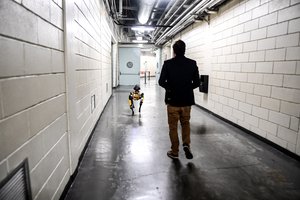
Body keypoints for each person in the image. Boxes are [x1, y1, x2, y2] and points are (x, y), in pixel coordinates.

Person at [159, 40, 200, 160]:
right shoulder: (192, 63)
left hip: (173, 101)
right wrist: (186, 88)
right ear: (185, 50)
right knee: (185, 124)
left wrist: (171, 88)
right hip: (186, 101)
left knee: (173, 127)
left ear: (174, 51)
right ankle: (186, 144)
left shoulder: (168, 64)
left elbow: (161, 82)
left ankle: (174, 151)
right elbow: (197, 82)